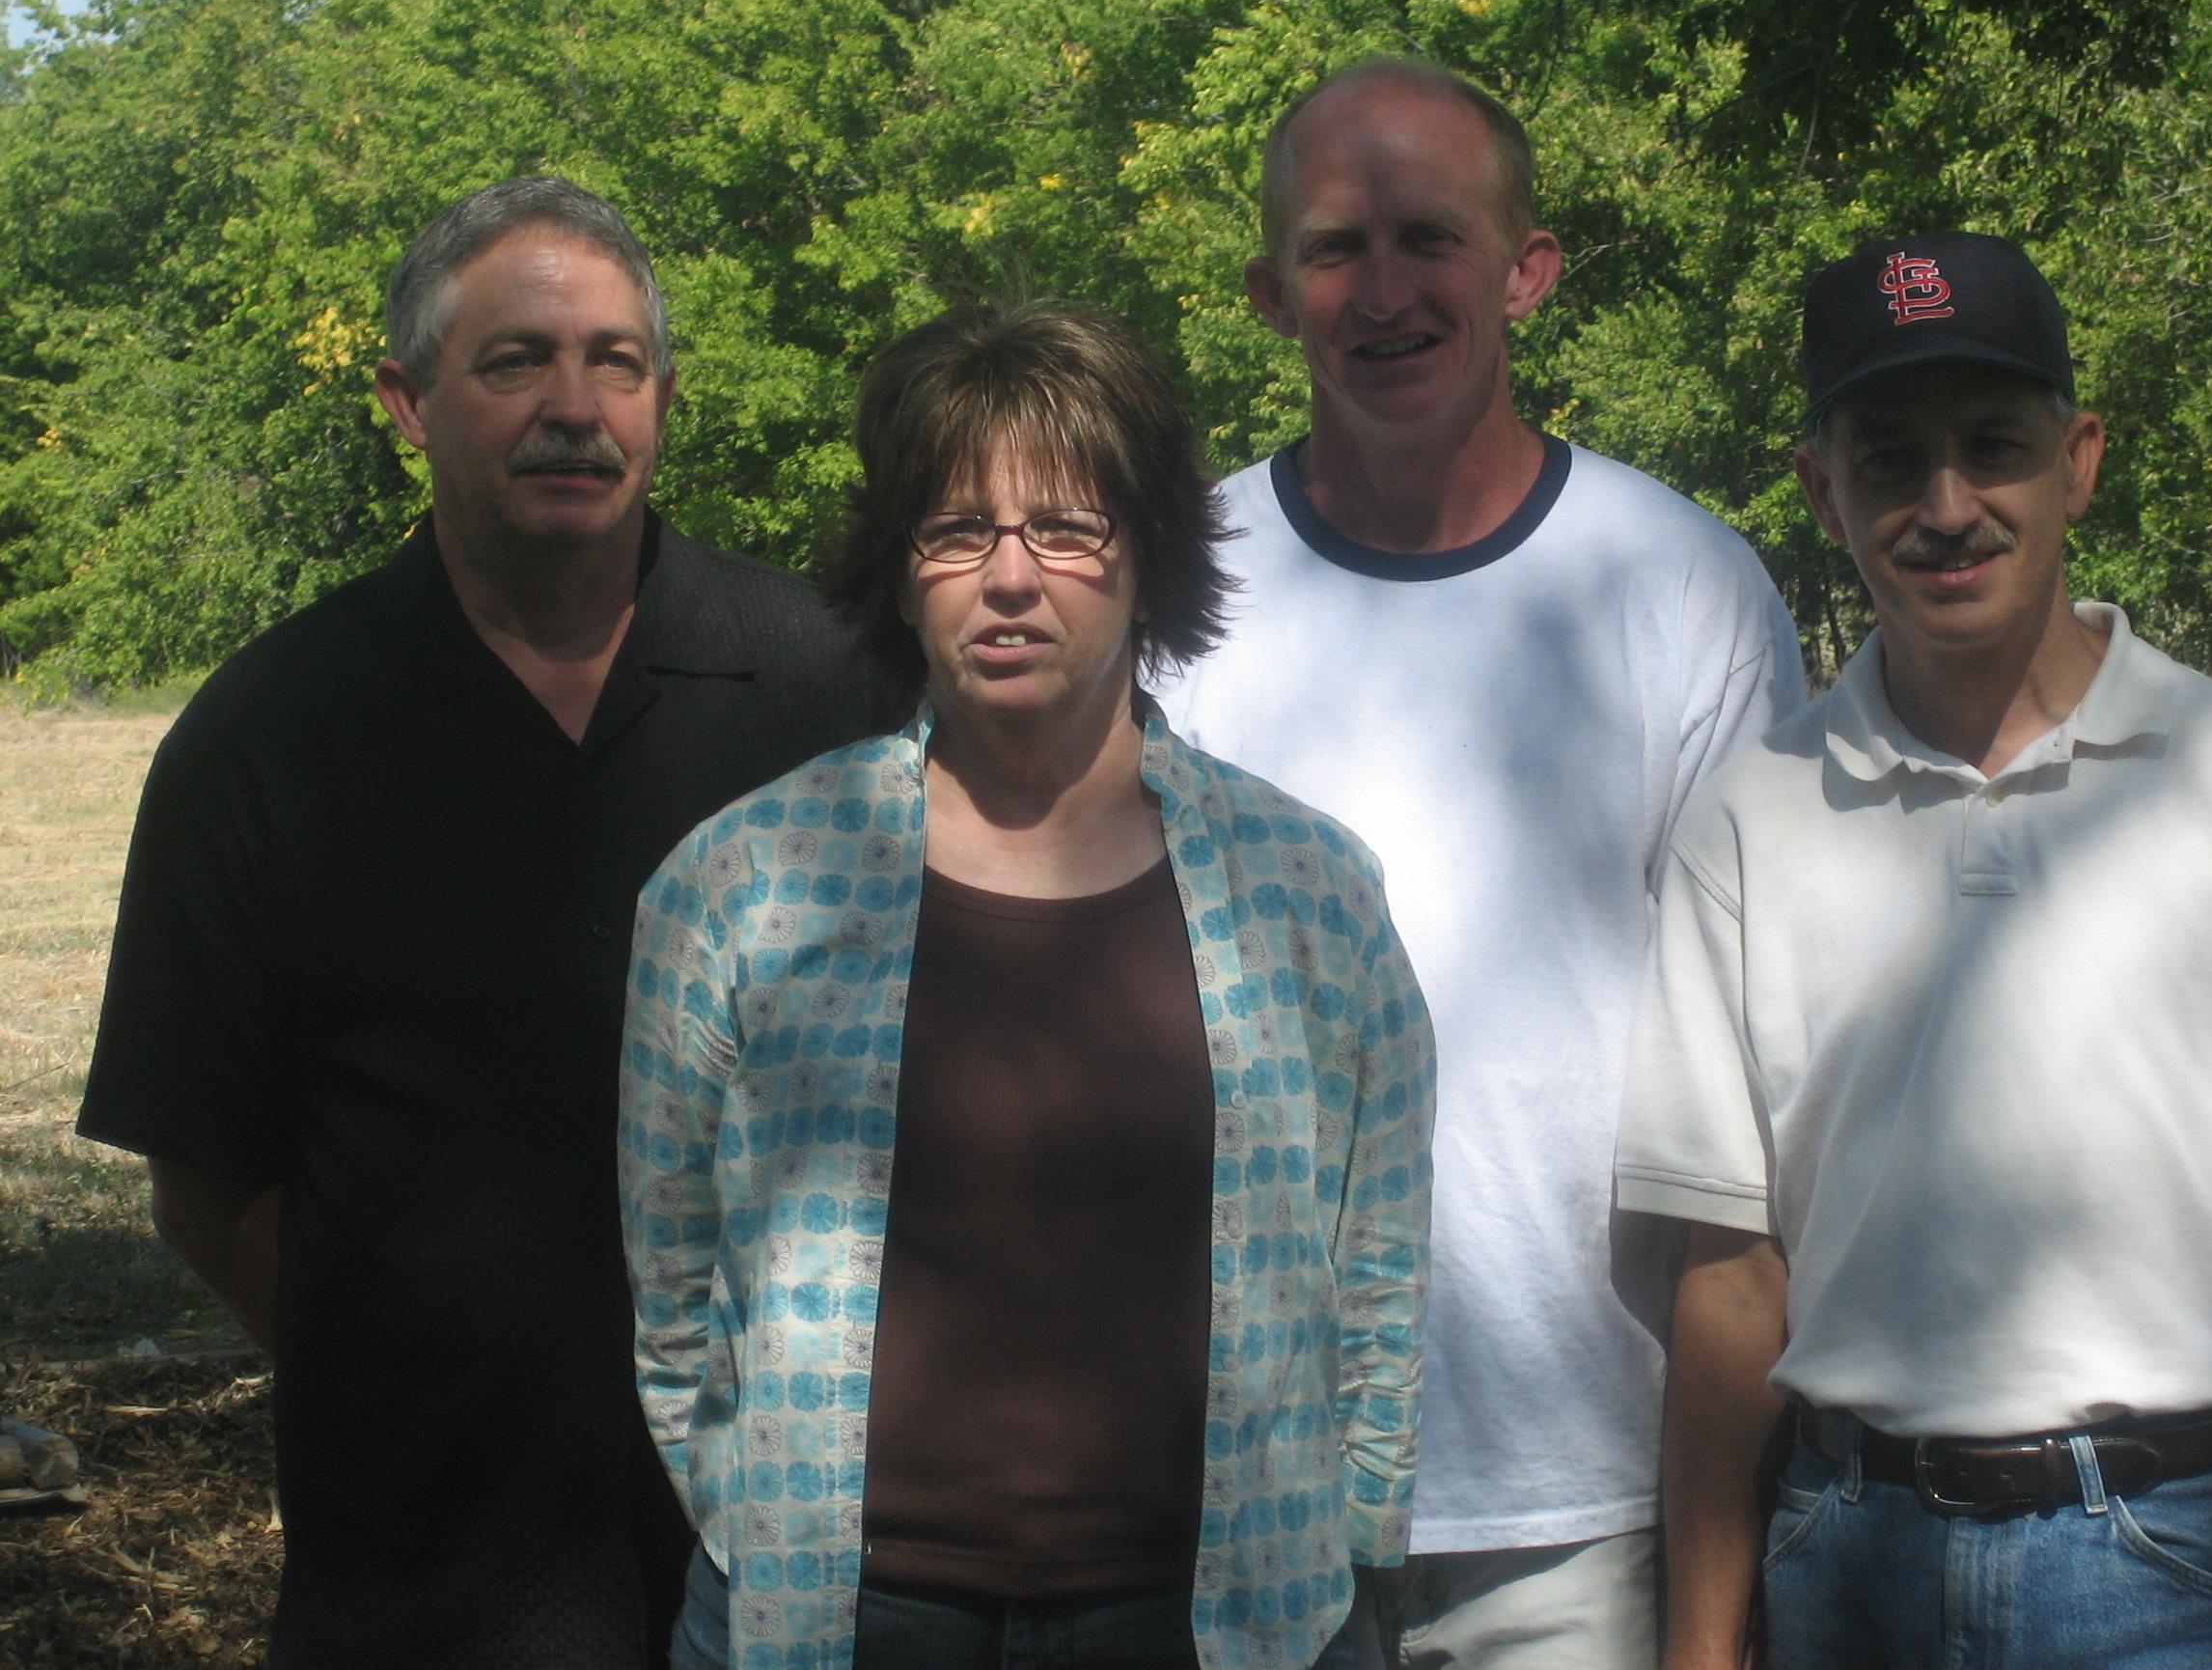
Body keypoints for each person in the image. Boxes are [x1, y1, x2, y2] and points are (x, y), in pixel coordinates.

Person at [77, 177, 884, 1668]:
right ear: (406, 399)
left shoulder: (833, 694)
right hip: (420, 1584)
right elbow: (204, 1186)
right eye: (516, 361)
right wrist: (412, 1376)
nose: (575, 406)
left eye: (616, 363)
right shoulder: (274, 738)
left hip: (799, 1571)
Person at [1620, 232, 2212, 1669]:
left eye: (1993, 447)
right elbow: (1733, 1276)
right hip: (1848, 1558)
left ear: (2080, 461)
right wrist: (1701, 1639)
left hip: (2170, 1563)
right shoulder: (1749, 821)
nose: (1947, 506)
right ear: (1822, 488)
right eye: (1888, 461)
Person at [622, 300, 1436, 1670]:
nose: (1012, 577)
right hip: (836, 1618)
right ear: (899, 572)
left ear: (1148, 560)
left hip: (1221, 1619)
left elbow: (1379, 1273)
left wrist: (1353, 1539)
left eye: (1065, 527)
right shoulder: (745, 882)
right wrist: (748, 1516)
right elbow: (675, 1281)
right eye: (956, 531)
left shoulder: (1306, 891)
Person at [1156, 60, 1807, 1668]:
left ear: (1527, 269)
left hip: (1581, 1489)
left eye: (1431, 238)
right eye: (1333, 249)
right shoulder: (1171, 598)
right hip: (1232, 1483)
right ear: (1268, 293)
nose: (1384, 291)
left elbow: (1779, 1070)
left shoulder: (1681, 587)